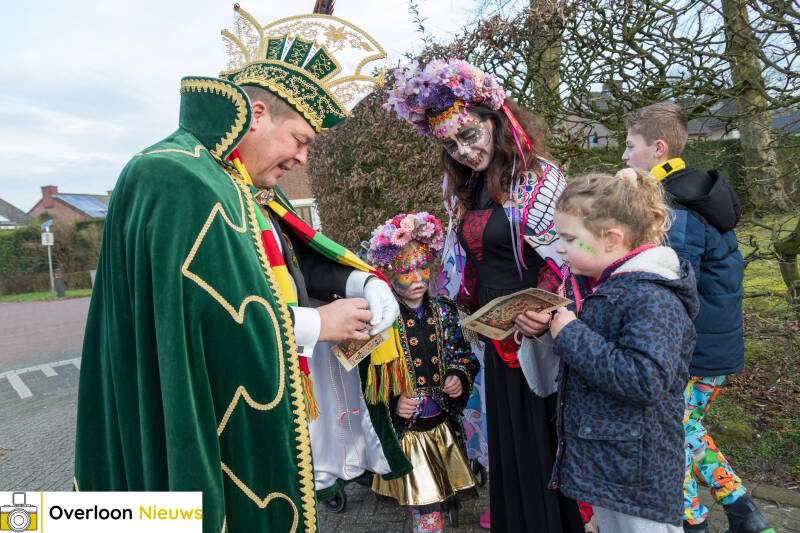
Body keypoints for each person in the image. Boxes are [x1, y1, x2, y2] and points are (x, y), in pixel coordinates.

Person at [73, 9, 411, 533]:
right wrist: (318, 324)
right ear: (256, 114)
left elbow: (297, 259)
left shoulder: (238, 185)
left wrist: (362, 280)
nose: (303, 158)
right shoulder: (173, 175)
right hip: (196, 423)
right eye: (300, 139)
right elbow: (192, 317)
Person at [385, 58, 588, 533]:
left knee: (544, 434)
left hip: (539, 333)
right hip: (493, 333)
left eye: (469, 135)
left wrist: (544, 314)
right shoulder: (467, 187)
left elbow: (568, 257)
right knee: (510, 437)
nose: (463, 150)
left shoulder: (541, 179)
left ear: (496, 120)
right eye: (450, 145)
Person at [623, 102, 774, 533]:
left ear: (658, 148)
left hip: (693, 348)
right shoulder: (689, 195)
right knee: (685, 427)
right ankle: (741, 512)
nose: (624, 155)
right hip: (710, 343)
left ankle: (696, 521)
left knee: (672, 430)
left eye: (630, 145)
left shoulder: (677, 208)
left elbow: (674, 285)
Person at [548, 168, 699, 532]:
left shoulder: (652, 297)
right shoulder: (609, 287)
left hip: (639, 474)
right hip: (613, 467)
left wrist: (570, 334)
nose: (559, 248)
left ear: (612, 239)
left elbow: (645, 379)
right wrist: (550, 331)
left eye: (569, 238)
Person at [365, 212, 480, 533]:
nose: (417, 278)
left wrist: (458, 374)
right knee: (424, 502)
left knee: (443, 489)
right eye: (406, 271)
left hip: (442, 426)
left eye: (422, 269)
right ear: (389, 275)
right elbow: (369, 375)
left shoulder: (446, 311)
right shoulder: (381, 320)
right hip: (408, 434)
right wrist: (393, 402)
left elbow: (464, 352)